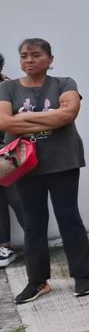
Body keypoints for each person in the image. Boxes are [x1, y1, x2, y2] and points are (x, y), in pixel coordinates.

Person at [0, 39, 89, 302]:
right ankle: (38, 281)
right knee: (33, 223)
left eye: (36, 55)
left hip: (63, 160)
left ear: (50, 59)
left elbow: (68, 115)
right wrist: (49, 118)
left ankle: (82, 276)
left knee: (69, 218)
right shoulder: (7, 88)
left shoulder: (64, 83)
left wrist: (20, 120)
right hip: (22, 165)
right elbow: (3, 121)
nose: (28, 60)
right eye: (24, 55)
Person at [0, 52, 22, 271]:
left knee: (19, 198)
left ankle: (36, 241)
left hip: (9, 153)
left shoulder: (10, 89)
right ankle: (3, 247)